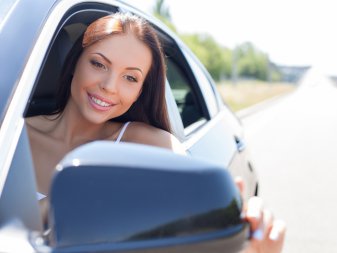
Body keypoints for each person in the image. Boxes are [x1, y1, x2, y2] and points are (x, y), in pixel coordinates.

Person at [26, 12, 285, 252]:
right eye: (98, 64)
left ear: (141, 90)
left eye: (130, 78)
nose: (109, 86)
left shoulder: (146, 143)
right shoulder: (14, 133)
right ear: (74, 63)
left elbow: (194, 206)